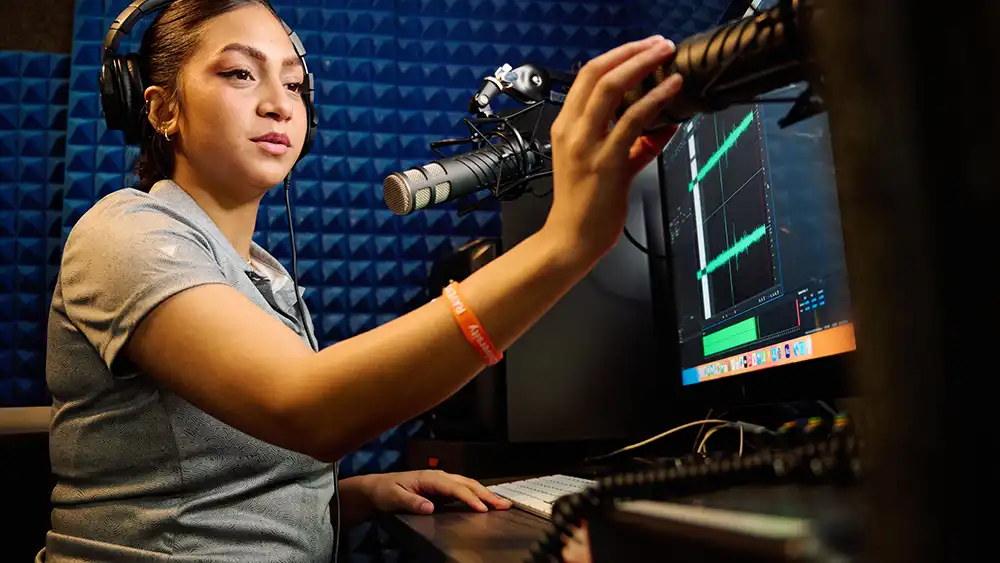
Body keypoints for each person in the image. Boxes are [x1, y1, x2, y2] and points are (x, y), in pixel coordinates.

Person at [42, 0, 683, 561]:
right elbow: (305, 408)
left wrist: (348, 498)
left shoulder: (261, 275)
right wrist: (564, 244)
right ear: (159, 109)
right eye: (240, 73)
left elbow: (218, 495)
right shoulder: (124, 233)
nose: (278, 103)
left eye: (294, 86)